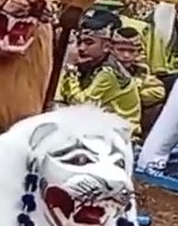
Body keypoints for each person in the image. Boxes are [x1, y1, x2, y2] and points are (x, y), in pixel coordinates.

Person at [55, 9, 143, 139]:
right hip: (98, 128)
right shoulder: (89, 65)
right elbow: (63, 97)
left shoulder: (108, 73)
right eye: (80, 42)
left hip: (120, 135)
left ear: (107, 46)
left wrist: (71, 68)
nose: (81, 48)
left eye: (89, 43)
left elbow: (82, 104)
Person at [111, 25, 165, 137]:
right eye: (121, 50)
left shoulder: (141, 70)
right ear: (112, 49)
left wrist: (133, 91)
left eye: (131, 51)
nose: (126, 55)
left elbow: (159, 92)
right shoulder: (105, 68)